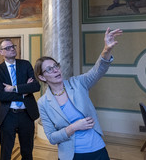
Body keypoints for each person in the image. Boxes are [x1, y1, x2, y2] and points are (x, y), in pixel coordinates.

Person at [35, 28, 123, 160]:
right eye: (49, 69)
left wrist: (106, 49)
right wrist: (73, 127)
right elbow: (52, 138)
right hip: (70, 155)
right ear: (42, 77)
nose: (55, 70)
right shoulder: (43, 103)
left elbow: (97, 71)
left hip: (96, 148)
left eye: (56, 66)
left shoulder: (77, 83)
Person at [0, 39, 41, 160]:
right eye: (7, 48)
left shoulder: (26, 64)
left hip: (26, 115)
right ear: (1, 52)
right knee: (6, 152)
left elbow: (36, 86)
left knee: (27, 151)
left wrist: (13, 88)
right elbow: (1, 95)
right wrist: (24, 92)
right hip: (7, 115)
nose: (12, 49)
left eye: (13, 46)